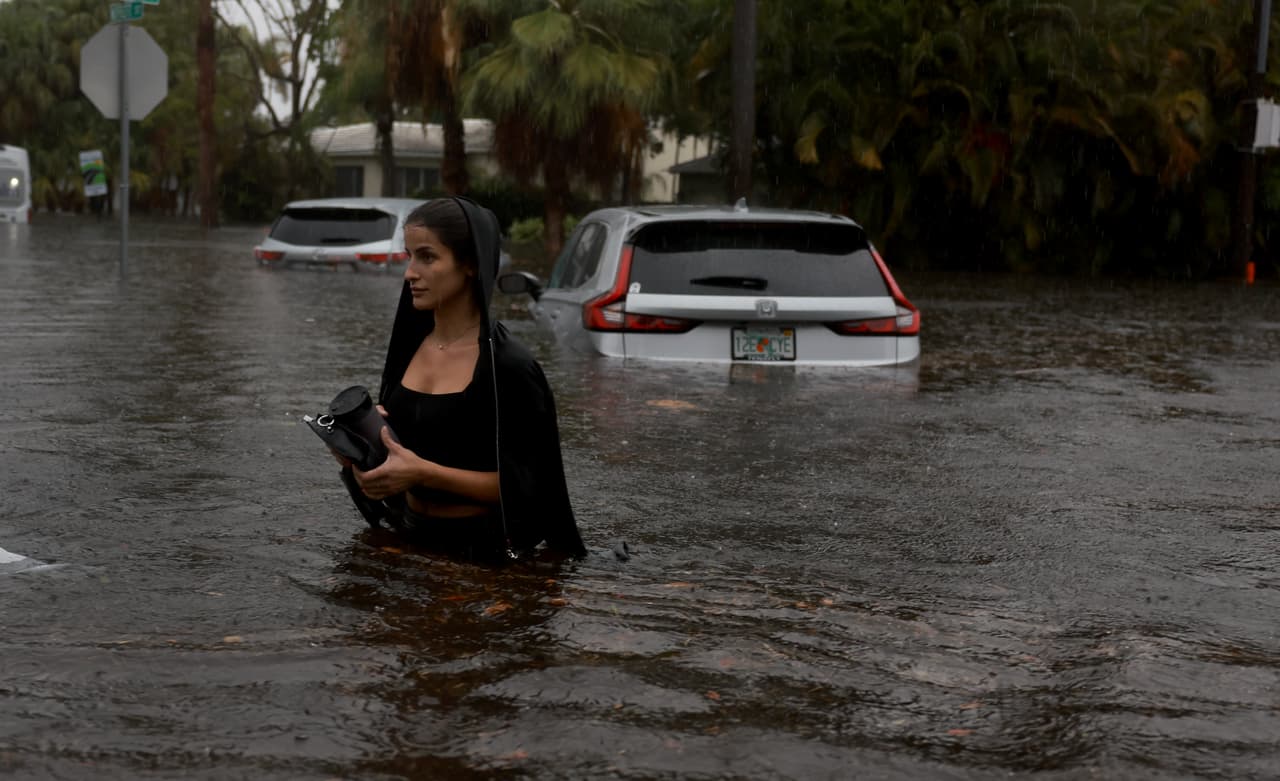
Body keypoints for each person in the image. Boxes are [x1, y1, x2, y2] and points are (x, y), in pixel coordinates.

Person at [334, 197, 585, 562]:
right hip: (408, 536)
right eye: (408, 256)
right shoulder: (408, 349)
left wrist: (423, 474)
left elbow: (530, 490)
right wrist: (358, 458)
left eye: (427, 257)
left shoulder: (509, 366)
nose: (410, 273)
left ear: (470, 264)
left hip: (483, 555)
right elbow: (397, 465)